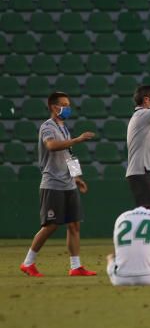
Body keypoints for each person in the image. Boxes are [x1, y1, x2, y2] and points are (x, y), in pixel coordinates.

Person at [20, 92, 97, 277]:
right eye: (64, 104)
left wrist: (77, 177)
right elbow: (52, 146)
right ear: (54, 107)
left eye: (68, 104)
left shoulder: (64, 128)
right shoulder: (47, 127)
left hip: (68, 183)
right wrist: (78, 139)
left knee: (74, 225)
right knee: (51, 225)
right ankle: (28, 262)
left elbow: (68, 154)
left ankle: (75, 266)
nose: (67, 107)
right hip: (52, 183)